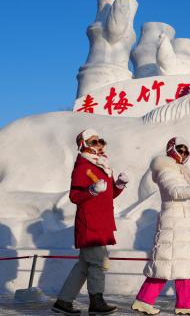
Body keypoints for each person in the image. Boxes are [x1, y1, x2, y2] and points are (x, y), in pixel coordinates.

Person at [131, 137, 190, 315]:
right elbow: (175, 192)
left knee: (180, 264)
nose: (184, 153)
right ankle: (151, 301)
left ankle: (181, 303)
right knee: (166, 263)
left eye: (187, 151)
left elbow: (188, 199)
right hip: (172, 224)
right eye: (181, 149)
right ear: (172, 148)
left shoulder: (180, 172)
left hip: (182, 224)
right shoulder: (166, 169)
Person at [52, 129, 129, 315]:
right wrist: (92, 191)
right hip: (90, 223)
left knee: (84, 265)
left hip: (102, 221)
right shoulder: (82, 167)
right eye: (94, 142)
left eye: (100, 140)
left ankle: (63, 301)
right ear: (84, 145)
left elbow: (108, 194)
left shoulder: (102, 165)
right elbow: (75, 196)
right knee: (98, 263)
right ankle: (96, 302)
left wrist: (118, 185)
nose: (99, 144)